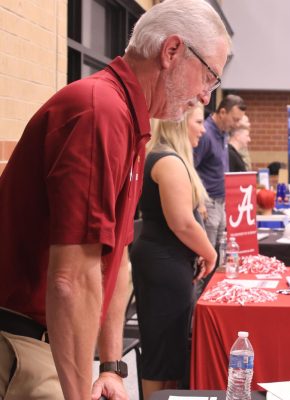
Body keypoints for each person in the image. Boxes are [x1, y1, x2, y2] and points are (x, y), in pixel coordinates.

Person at [0, 0, 230, 398]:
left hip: (49, 341)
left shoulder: (129, 120)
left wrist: (110, 365)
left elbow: (115, 261)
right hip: (22, 341)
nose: (205, 97)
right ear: (172, 51)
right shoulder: (99, 111)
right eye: (209, 78)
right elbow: (71, 278)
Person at [130, 104, 217, 399]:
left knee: (167, 348)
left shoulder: (158, 156)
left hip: (163, 261)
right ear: (179, 124)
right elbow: (182, 223)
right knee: (163, 350)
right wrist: (210, 253)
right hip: (164, 265)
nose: (203, 129)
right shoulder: (168, 161)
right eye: (198, 121)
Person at [194, 94, 247, 247]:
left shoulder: (222, 132)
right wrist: (199, 202)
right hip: (208, 203)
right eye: (235, 119)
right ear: (222, 112)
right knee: (209, 252)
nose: (236, 125)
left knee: (220, 253)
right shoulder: (205, 134)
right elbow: (191, 168)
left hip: (221, 203)